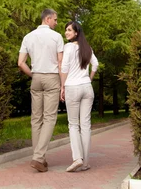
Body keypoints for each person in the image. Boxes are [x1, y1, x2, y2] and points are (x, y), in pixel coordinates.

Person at [18, 8, 64, 173]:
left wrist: (33, 75)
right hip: (52, 78)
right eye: (55, 20)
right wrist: (63, 85)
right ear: (48, 19)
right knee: (49, 118)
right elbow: (60, 63)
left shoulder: (28, 37)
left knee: (36, 119)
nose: (56, 23)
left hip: (36, 78)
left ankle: (39, 158)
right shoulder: (56, 37)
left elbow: (20, 62)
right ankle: (38, 158)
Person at [60, 21, 98, 172]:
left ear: (76, 33)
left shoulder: (68, 47)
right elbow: (95, 65)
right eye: (66, 30)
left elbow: (64, 68)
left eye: (69, 30)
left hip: (72, 88)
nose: (66, 32)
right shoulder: (87, 48)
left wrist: (62, 87)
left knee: (73, 125)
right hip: (87, 88)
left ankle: (77, 158)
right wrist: (89, 79)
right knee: (86, 125)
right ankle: (86, 162)